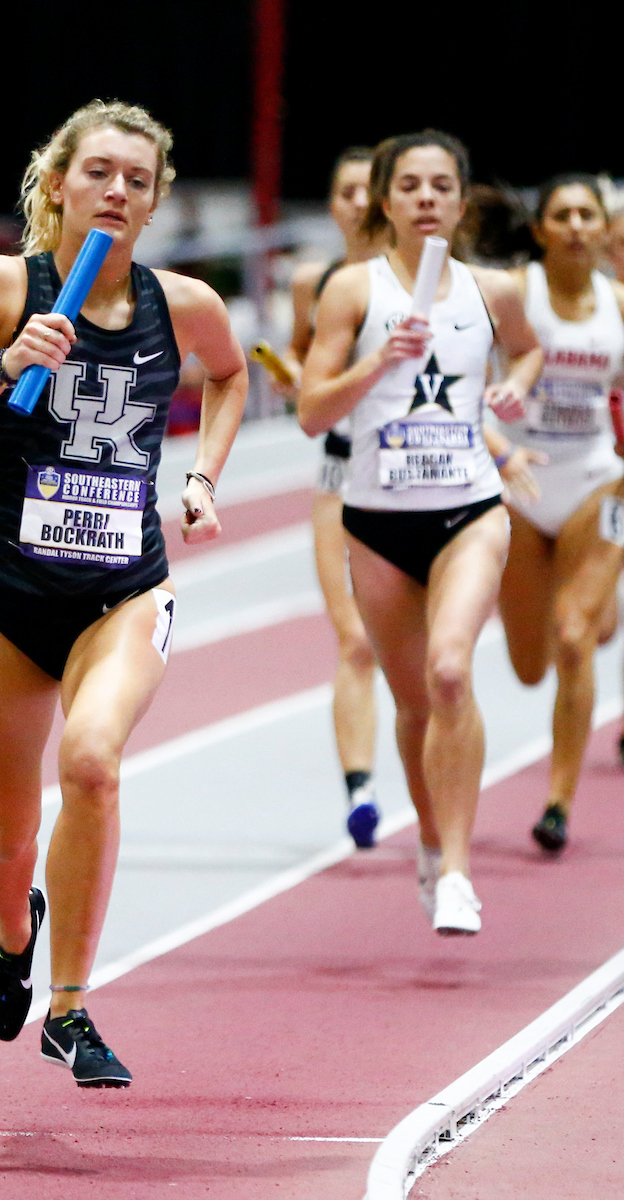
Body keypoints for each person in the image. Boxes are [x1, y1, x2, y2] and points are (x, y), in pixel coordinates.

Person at [0, 100, 248, 1087]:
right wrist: (4, 367)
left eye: (138, 180)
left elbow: (230, 377)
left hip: (122, 587)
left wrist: (202, 476)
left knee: (91, 763)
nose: (117, 192)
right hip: (2, 592)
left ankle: (72, 1005)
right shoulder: (6, 287)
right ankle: (14, 935)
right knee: (8, 840)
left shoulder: (187, 304)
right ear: (57, 185)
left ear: (156, 199)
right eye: (98, 173)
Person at [297, 130, 542, 934]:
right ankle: (432, 843)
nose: (426, 198)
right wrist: (376, 363)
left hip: (470, 509)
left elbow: (530, 353)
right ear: (386, 201)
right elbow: (311, 413)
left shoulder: (493, 291)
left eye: (442, 185)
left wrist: (511, 391)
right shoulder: (351, 291)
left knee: (447, 673)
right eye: (409, 186)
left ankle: (461, 873)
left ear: (462, 202)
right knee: (410, 706)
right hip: (374, 521)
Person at [487, 175, 624, 851]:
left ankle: (558, 804)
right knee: (529, 665)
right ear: (540, 230)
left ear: (606, 229)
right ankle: (594, 605)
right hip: (518, 484)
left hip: (599, 482)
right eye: (561, 215)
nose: (574, 225)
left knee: (572, 637)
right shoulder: (514, 293)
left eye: (586, 215)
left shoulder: (619, 304)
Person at [284, 149, 384, 847]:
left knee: (422, 651)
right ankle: (361, 789)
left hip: (416, 477)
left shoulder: (418, 282)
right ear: (331, 204)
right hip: (338, 474)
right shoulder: (310, 282)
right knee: (353, 640)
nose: (357, 202)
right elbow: (300, 360)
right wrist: (297, 380)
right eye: (345, 190)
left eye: (368, 191)